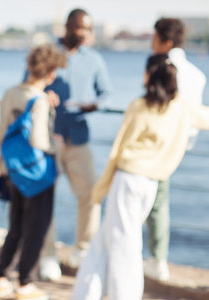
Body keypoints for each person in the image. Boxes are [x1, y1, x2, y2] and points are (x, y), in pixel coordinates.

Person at [72, 54, 209, 300]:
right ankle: (85, 294)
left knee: (124, 246)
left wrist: (99, 190)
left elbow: (118, 151)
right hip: (151, 183)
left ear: (149, 76)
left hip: (128, 181)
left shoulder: (139, 106)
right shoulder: (182, 107)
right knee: (104, 242)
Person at [39, 8, 112, 279]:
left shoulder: (94, 59)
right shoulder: (47, 54)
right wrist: (42, 96)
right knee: (44, 197)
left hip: (79, 138)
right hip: (46, 138)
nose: (84, 33)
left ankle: (83, 250)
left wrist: (96, 106)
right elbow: (29, 84)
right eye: (80, 27)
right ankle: (48, 255)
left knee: (91, 194)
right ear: (68, 27)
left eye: (88, 29)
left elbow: (106, 93)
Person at [0, 44, 65, 299]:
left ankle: (0, 278)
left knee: (16, 228)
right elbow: (39, 141)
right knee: (36, 230)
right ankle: (25, 284)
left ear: (29, 67)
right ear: (51, 74)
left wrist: (4, 168)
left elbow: (2, 133)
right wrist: (58, 145)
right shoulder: (41, 100)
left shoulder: (10, 93)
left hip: (13, 171)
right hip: (38, 176)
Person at [144, 17, 207, 282]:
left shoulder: (163, 66)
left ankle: (152, 260)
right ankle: (158, 259)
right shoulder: (198, 74)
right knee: (158, 202)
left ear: (166, 41)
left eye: (154, 37)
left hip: (153, 146)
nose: (151, 42)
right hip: (178, 147)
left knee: (148, 202)